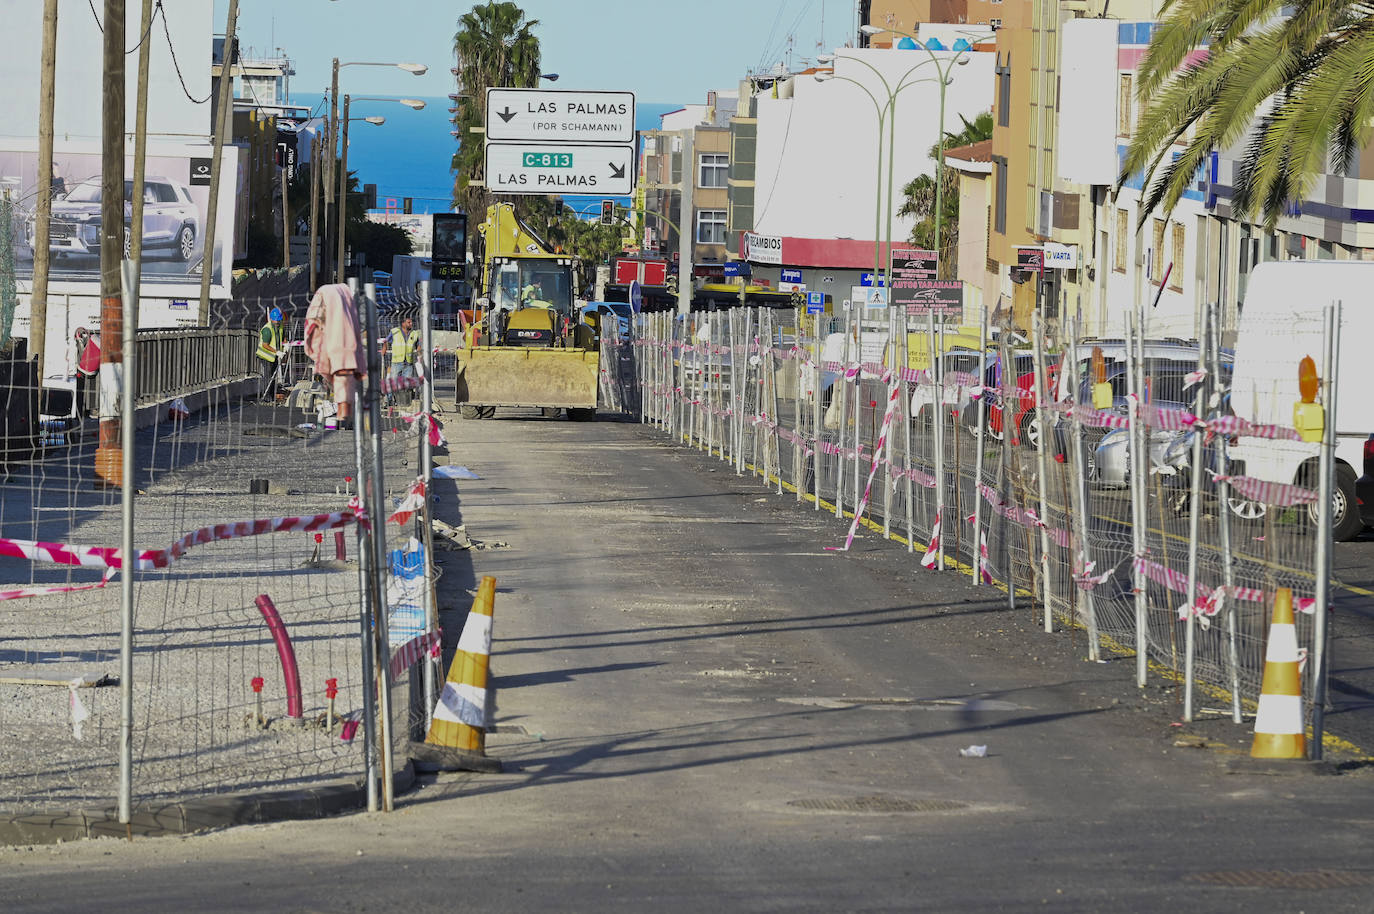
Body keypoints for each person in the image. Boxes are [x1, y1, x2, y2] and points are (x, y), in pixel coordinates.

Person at [304, 284, 366, 430]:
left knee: (343, 377)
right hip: (341, 349)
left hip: (339, 350)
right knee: (343, 378)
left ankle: (344, 415)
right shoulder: (342, 313)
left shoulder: (338, 332)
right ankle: (344, 415)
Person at [381, 315, 420, 407]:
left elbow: (418, 344)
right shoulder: (395, 332)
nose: (411, 324)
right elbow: (386, 340)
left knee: (406, 385)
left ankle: (403, 401)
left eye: (411, 322)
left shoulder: (414, 333)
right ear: (403, 323)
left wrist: (419, 352)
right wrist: (384, 348)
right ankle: (390, 401)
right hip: (397, 362)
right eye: (409, 322)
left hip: (408, 363)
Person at [256, 307, 285, 403]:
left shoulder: (280, 326)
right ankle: (266, 398)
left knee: (273, 376)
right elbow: (265, 345)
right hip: (265, 356)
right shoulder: (267, 330)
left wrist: (286, 345)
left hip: (274, 356)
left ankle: (272, 396)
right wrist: (276, 351)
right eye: (276, 320)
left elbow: (283, 338)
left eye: (278, 320)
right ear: (272, 319)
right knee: (268, 377)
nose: (277, 322)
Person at [73, 327, 100, 419]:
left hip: (83, 369)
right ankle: (91, 409)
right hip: (92, 371)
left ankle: (81, 413)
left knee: (82, 392)